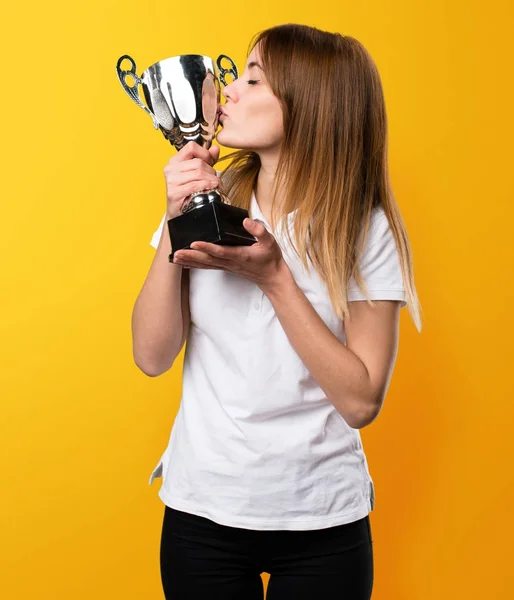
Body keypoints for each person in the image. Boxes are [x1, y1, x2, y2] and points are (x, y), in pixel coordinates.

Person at [132, 23, 422, 600]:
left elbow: (361, 400)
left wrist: (273, 278)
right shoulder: (211, 198)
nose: (229, 88)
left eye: (253, 78)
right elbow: (151, 355)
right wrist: (173, 220)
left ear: (312, 105)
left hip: (322, 520)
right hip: (204, 510)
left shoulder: (363, 228)